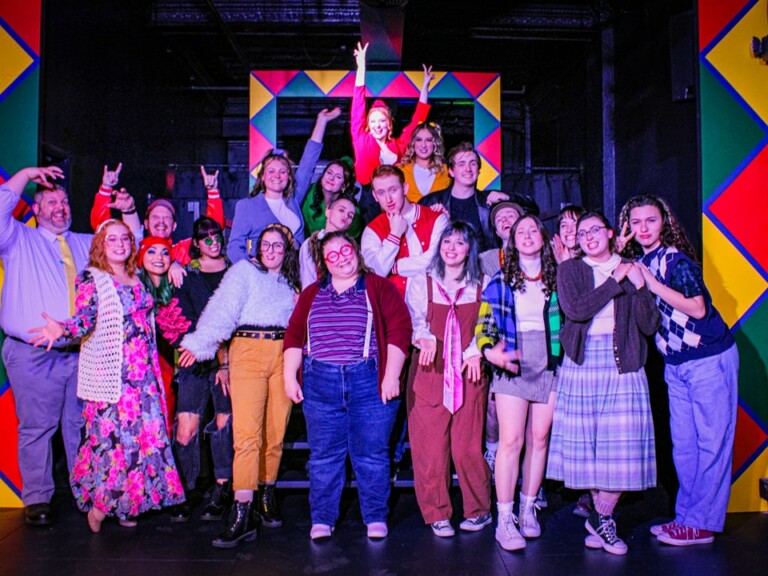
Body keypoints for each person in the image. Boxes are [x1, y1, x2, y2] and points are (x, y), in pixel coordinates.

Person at [0, 166, 141, 526]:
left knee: (81, 428)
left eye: (64, 201)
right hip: (33, 353)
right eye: (51, 201)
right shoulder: (17, 238)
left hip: (83, 353)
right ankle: (38, 498)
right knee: (36, 427)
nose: (60, 207)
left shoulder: (85, 243)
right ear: (36, 207)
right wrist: (27, 173)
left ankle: (87, 495)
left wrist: (125, 210)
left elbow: (129, 248)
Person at [29, 219, 185, 532]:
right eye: (111, 239)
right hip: (114, 378)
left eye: (124, 239)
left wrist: (177, 262)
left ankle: (130, 504)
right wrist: (62, 328)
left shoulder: (137, 276)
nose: (119, 244)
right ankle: (101, 507)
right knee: (119, 447)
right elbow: (84, 318)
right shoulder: (93, 277)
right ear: (101, 243)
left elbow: (164, 275)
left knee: (145, 443)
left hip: (145, 378)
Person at [618, 195, 739, 547]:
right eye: (635, 222)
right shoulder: (641, 259)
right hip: (676, 364)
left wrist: (654, 285)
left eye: (650, 221)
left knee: (711, 443)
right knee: (685, 447)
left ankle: (701, 522)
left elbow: (698, 309)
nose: (643, 228)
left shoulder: (676, 261)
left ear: (664, 223)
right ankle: (687, 517)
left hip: (707, 358)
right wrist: (621, 246)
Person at [283, 231, 412, 541]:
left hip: (368, 380)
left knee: (371, 454)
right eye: (333, 255)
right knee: (325, 455)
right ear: (324, 263)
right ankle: (323, 518)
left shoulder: (379, 286)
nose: (342, 258)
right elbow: (294, 334)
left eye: (345, 250)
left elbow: (399, 328)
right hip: (320, 382)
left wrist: (391, 375)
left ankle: (375, 516)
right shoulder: (312, 293)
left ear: (355, 250)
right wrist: (290, 375)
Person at [178, 224, 299, 548]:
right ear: (257, 248)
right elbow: (222, 310)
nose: (272, 250)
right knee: (247, 435)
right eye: (266, 244)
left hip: (283, 353)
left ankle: (266, 496)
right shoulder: (243, 272)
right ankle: (242, 510)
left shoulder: (291, 282)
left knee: (275, 434)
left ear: (287, 251)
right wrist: (200, 343)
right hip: (247, 349)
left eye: (279, 246)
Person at [547, 211, 660, 556]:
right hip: (582, 364)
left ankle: (602, 516)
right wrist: (614, 280)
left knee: (621, 451)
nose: (589, 237)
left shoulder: (633, 268)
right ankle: (603, 521)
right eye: (582, 233)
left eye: (595, 230)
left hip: (622, 363)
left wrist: (639, 288)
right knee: (589, 452)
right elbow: (577, 310)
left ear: (611, 232)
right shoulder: (571, 269)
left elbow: (650, 323)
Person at [476, 215, 562, 551]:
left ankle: (528, 510)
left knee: (539, 438)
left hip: (550, 358)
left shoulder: (557, 277)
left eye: (532, 230)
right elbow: (484, 327)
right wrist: (489, 352)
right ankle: (505, 518)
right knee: (510, 440)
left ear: (543, 238)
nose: (526, 236)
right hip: (513, 358)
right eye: (519, 232)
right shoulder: (500, 281)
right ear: (511, 242)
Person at [404, 221, 491, 538]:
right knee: (430, 449)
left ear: (470, 249)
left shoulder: (483, 283)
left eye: (460, 243)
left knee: (467, 447)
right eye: (447, 242)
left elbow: (487, 323)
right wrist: (423, 336)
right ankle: (437, 512)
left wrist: (475, 349)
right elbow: (414, 320)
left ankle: (479, 510)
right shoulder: (422, 283)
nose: (452, 248)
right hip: (430, 371)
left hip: (469, 372)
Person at [153, 217, 234, 524]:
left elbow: (237, 319)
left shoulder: (236, 273)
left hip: (226, 360)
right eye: (206, 237)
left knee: (224, 424)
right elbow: (174, 319)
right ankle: (183, 489)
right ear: (196, 244)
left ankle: (222, 489)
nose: (213, 241)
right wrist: (192, 347)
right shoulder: (185, 275)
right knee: (186, 428)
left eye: (216, 235)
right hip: (195, 361)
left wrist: (224, 359)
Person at [228, 109, 339, 262]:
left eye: (282, 171)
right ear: (263, 176)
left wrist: (322, 121)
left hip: (297, 274)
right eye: (271, 171)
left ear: (288, 177)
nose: (277, 176)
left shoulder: (293, 199)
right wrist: (249, 267)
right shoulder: (247, 206)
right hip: (265, 277)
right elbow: (234, 247)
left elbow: (308, 162)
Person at [351, 41, 434, 222]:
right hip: (368, 199)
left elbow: (418, 121)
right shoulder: (361, 139)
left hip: (395, 198)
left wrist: (425, 87)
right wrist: (361, 67)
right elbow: (358, 102)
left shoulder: (398, 145)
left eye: (382, 121)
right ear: (367, 125)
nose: (377, 125)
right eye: (373, 121)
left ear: (389, 125)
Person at [91, 164, 225, 270]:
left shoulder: (183, 251)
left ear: (174, 226)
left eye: (167, 217)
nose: (161, 221)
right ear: (146, 223)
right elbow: (103, 230)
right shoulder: (133, 249)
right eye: (155, 217)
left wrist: (213, 192)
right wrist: (106, 189)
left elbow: (213, 230)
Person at [360, 165, 449, 297]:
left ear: (405, 188)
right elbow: (373, 273)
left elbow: (436, 261)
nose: (388, 199)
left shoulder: (436, 218)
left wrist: (394, 267)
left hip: (433, 302)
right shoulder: (372, 230)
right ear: (374, 195)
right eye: (381, 193)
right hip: (393, 306)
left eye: (393, 190)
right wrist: (394, 236)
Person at [419, 142, 510, 252]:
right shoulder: (431, 201)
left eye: (473, 163)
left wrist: (508, 198)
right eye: (461, 164)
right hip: (445, 264)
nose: (468, 169)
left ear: (479, 171)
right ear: (451, 171)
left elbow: (531, 207)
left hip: (483, 265)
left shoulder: (489, 200)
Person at [299, 194, 358, 287]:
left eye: (350, 216)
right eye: (341, 210)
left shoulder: (352, 249)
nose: (345, 216)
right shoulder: (310, 244)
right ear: (327, 211)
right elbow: (308, 282)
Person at [300, 155, 364, 240]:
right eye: (329, 173)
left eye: (338, 177)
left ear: (344, 185)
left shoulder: (352, 211)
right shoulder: (309, 193)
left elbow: (352, 240)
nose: (331, 178)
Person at [398, 121, 452, 203]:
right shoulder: (401, 170)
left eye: (429, 140)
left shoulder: (446, 171)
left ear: (435, 144)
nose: (423, 145)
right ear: (413, 143)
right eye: (419, 140)